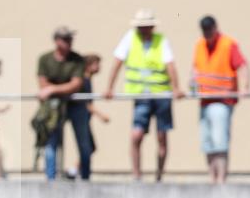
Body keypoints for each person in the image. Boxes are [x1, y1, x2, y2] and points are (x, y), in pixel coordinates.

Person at [104, 9, 184, 182]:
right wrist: (109, 87)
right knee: (136, 135)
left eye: (147, 26)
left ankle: (159, 176)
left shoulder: (161, 40)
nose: (144, 30)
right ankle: (136, 175)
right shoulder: (130, 38)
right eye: (141, 27)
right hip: (141, 96)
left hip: (161, 95)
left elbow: (170, 65)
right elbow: (117, 62)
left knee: (162, 137)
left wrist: (176, 88)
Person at [191, 16, 250, 184]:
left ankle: (221, 180)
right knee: (207, 142)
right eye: (204, 30)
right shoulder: (200, 45)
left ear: (215, 28)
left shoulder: (227, 44)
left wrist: (245, 87)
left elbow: (243, 66)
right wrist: (192, 83)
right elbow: (195, 68)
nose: (207, 32)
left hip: (222, 101)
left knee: (220, 141)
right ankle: (212, 179)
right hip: (204, 100)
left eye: (209, 29)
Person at [36, 26, 91, 180]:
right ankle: (50, 179)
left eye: (70, 39)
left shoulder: (78, 59)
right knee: (50, 143)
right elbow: (42, 84)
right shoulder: (45, 59)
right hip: (53, 108)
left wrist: (53, 89)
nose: (69, 42)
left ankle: (85, 178)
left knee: (84, 144)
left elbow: (76, 84)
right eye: (65, 39)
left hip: (76, 106)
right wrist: (60, 90)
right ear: (56, 41)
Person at [65, 54, 110, 180]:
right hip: (82, 117)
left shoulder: (88, 80)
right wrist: (101, 115)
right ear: (88, 66)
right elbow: (85, 103)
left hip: (86, 118)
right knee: (87, 147)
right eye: (96, 64)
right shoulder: (83, 81)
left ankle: (74, 170)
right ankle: (78, 172)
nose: (99, 67)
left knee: (90, 147)